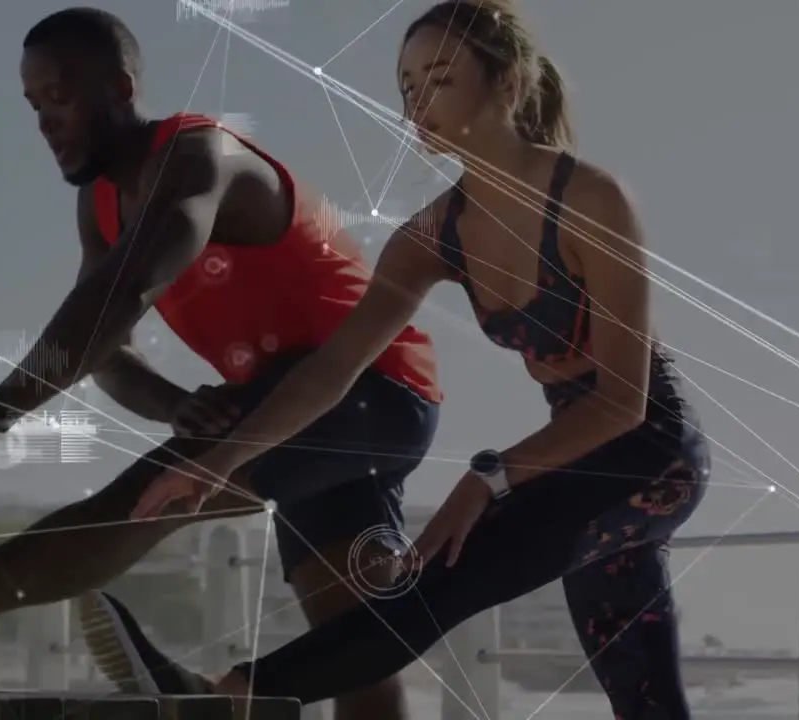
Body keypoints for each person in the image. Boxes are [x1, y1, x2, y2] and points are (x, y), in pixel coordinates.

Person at [0, 8, 441, 719]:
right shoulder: (101, 206)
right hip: (308, 408)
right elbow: (110, 355)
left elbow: (115, 300)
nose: (44, 123)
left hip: (366, 390)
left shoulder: (199, 160)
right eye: (33, 105)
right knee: (354, 645)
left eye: (58, 98)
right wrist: (172, 405)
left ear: (120, 88)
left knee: (145, 497)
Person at [74, 1, 710, 718]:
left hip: (648, 454)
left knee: (441, 578)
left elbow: (623, 401)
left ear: (506, 85)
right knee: (647, 701)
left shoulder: (590, 197)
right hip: (569, 464)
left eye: (440, 78)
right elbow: (333, 370)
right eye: (407, 85)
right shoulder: (430, 237)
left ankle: (224, 698)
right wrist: (217, 463)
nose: (418, 102)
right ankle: (225, 696)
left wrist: (487, 481)